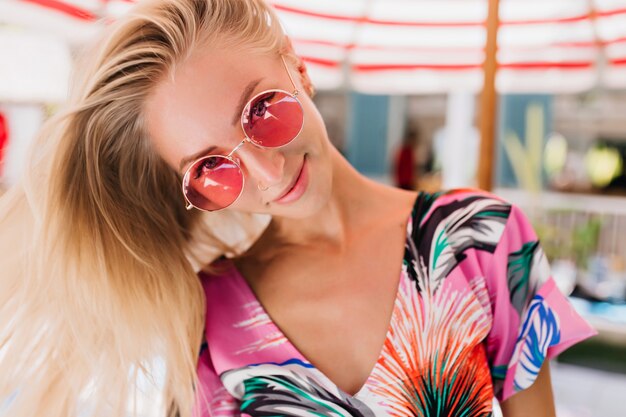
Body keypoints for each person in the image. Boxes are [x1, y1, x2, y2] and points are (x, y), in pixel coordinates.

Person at [0, 1, 597, 417]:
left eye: (261, 111)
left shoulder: (480, 239)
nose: (269, 170)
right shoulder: (210, 320)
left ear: (297, 67)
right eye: (212, 168)